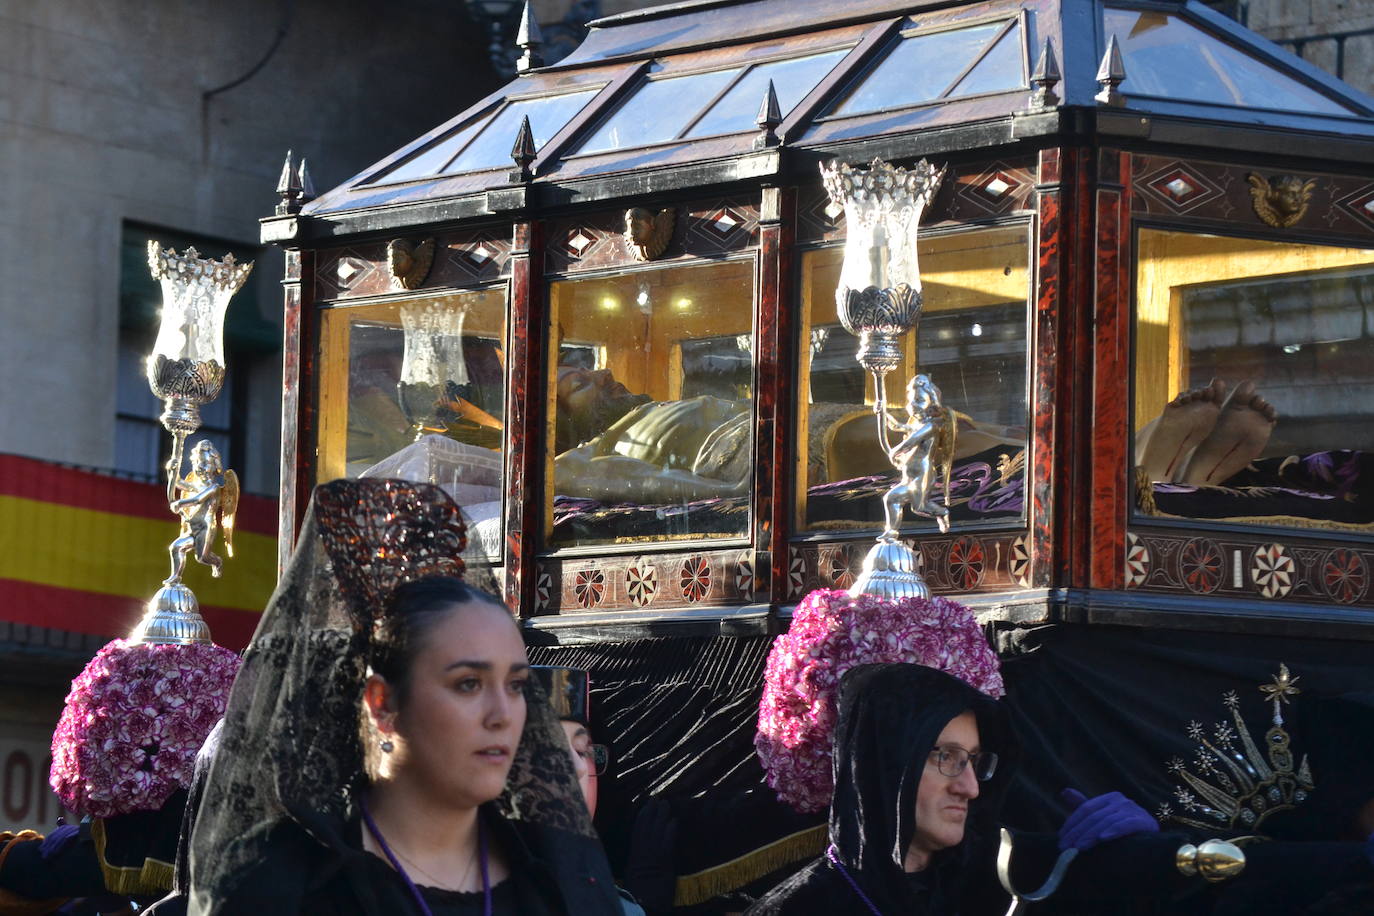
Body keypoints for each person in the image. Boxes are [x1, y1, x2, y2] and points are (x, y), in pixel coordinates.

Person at [182, 478, 622, 915]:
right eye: (467, 683)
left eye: (516, 686)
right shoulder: (284, 886)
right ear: (382, 704)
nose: (503, 715)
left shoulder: (552, 884)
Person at [747, 664, 1170, 916]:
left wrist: (1146, 856)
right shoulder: (801, 908)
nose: (969, 787)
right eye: (946, 757)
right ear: (887, 764)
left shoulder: (1010, 876)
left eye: (974, 760)